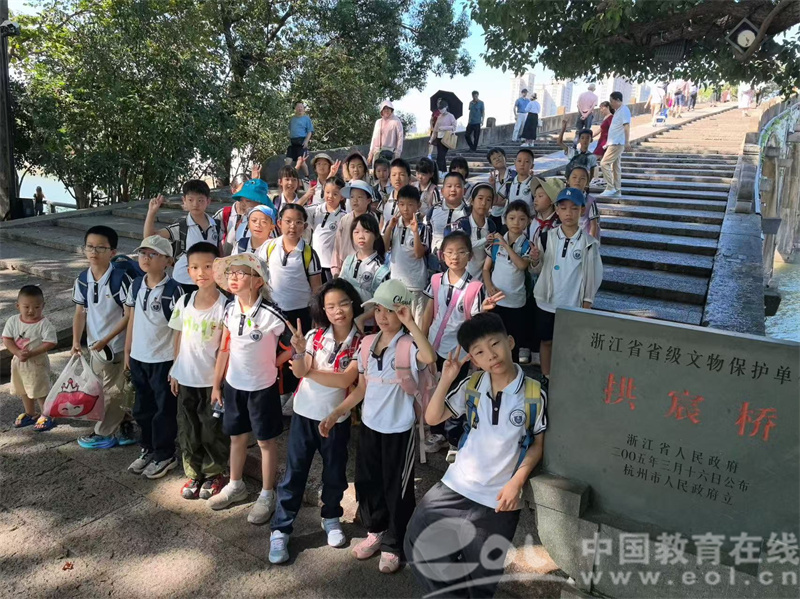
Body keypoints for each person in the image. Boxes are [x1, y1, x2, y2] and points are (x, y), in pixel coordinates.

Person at [406, 312, 547, 598]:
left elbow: (537, 445)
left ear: (510, 342)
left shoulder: (534, 394)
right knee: (418, 545)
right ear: (473, 359)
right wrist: (447, 378)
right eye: (480, 352)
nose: (491, 355)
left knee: (481, 578)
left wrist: (516, 483)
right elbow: (432, 418)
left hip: (499, 501)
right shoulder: (472, 384)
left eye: (495, 344)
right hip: (456, 485)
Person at [318, 279, 437, 574]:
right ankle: (376, 531)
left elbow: (429, 357)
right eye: (379, 310)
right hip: (370, 426)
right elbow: (361, 388)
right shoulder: (367, 344)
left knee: (397, 488)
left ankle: (395, 543)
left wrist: (411, 324)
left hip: (399, 429)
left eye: (391, 310)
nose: (383, 316)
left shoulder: (409, 345)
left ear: (403, 312)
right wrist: (336, 413)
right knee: (368, 481)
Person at [269, 279, 365, 564]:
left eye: (343, 303)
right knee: (294, 474)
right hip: (304, 414)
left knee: (335, 473)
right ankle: (280, 529)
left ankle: (331, 517)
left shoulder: (362, 343)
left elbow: (345, 380)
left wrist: (307, 372)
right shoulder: (314, 335)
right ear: (322, 309)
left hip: (337, 418)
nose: (338, 311)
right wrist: (299, 351)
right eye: (330, 306)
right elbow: (299, 369)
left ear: (353, 304)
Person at [207, 253, 291, 523]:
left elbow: (296, 345)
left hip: (262, 388)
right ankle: (236, 484)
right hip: (234, 386)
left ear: (257, 281)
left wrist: (274, 362)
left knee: (266, 441)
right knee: (237, 437)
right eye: (231, 272)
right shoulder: (229, 309)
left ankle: (267, 493)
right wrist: (217, 384)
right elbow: (225, 348)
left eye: (241, 273)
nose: (233, 277)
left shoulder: (272, 314)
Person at [421, 231, 503, 453]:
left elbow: (474, 322)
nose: (454, 257)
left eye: (460, 252)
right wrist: (422, 339)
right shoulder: (436, 280)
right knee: (434, 387)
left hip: (457, 351)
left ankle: (453, 435)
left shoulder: (475, 287)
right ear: (442, 255)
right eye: (449, 252)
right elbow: (429, 312)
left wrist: (483, 310)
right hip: (433, 345)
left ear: (470, 256)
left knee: (454, 391)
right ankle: (436, 431)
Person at [167, 242, 230, 500]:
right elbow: (178, 336)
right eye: (194, 267)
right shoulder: (184, 301)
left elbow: (226, 348)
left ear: (218, 268)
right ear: (188, 271)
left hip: (211, 381)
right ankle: (193, 473)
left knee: (212, 429)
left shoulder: (226, 305)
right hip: (186, 378)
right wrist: (175, 369)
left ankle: (215, 473)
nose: (201, 272)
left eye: (207, 266)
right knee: (188, 428)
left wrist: (219, 383)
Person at [124, 235, 185, 478]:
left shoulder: (174, 290)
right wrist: (128, 350)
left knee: (164, 411)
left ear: (168, 261)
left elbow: (179, 329)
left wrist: (176, 363)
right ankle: (148, 447)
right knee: (142, 408)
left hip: (163, 359)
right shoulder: (136, 284)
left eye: (153, 254)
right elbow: (132, 318)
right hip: (139, 357)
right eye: (142, 253)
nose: (145, 258)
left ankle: (165, 454)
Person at [72, 225, 136, 448]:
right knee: (102, 389)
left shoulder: (120, 279)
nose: (94, 251)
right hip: (95, 346)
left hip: (116, 346)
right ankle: (125, 424)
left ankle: (104, 434)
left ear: (112, 252)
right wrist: (76, 341)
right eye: (90, 246)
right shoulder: (82, 279)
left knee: (113, 391)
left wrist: (107, 339)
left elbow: (129, 315)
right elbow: (80, 312)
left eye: (101, 247)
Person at [532, 187, 603, 379]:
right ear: (557, 210)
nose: (568, 213)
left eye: (574, 208)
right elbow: (536, 270)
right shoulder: (546, 237)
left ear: (582, 210)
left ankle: (565, 377)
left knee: (569, 342)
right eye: (563, 208)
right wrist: (535, 260)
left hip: (572, 303)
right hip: (546, 301)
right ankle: (546, 375)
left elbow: (594, 275)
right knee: (546, 341)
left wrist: (587, 302)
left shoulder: (589, 243)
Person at [143, 180, 221, 294]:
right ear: (184, 200)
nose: (195, 204)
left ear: (208, 201)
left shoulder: (216, 225)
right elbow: (149, 238)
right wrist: (151, 212)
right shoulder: (181, 227)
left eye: (200, 200)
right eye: (190, 200)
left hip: (208, 280)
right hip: (183, 280)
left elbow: (219, 252)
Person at [483, 200, 532, 363]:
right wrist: (489, 286)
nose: (516, 222)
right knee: (493, 338)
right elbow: (486, 269)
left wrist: (506, 245)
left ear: (528, 221)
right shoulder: (495, 243)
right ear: (505, 219)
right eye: (512, 218)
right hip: (496, 300)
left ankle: (512, 371)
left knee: (512, 341)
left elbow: (522, 265)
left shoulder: (527, 245)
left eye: (522, 219)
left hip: (515, 302)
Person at [4, 285, 57, 431]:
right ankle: (30, 413)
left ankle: (47, 414)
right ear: (18, 306)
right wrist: (17, 352)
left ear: (43, 306)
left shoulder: (43, 324)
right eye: (26, 307)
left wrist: (32, 353)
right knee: (23, 388)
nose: (31, 311)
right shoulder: (13, 321)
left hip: (37, 363)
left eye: (36, 307)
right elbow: (7, 339)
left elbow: (51, 342)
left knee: (40, 389)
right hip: (19, 362)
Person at [382, 185, 431, 323]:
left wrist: (415, 232)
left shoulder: (423, 228)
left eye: (410, 205)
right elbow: (384, 248)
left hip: (415, 284)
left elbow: (419, 254)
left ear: (418, 206)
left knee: (416, 322)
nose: (405, 209)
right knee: (396, 321)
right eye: (402, 204)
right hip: (396, 282)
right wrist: (390, 227)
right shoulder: (393, 224)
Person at [340, 214, 391, 331]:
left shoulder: (380, 268)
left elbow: (382, 303)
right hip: (346, 321)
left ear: (376, 235)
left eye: (366, 231)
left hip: (368, 325)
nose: (361, 236)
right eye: (356, 232)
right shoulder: (348, 261)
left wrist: (362, 319)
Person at [445, 183, 498, 281]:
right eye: (480, 198)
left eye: (488, 200)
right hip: (461, 278)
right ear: (472, 201)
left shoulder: (491, 226)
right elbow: (460, 247)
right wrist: (484, 240)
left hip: (483, 279)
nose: (483, 203)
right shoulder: (461, 224)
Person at [215, 175, 274, 255]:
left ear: (260, 202)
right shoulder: (243, 220)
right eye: (242, 200)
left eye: (248, 201)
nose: (243, 204)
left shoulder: (269, 224)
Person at [333, 180, 376, 275]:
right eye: (352, 197)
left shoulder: (373, 220)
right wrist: (336, 268)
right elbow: (337, 244)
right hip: (345, 266)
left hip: (366, 267)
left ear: (368, 200)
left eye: (359, 197)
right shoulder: (345, 219)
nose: (355, 200)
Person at [307, 177, 346, 282]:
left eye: (335, 194)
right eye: (327, 192)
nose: (330, 196)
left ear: (342, 196)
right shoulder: (316, 209)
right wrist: (306, 196)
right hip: (314, 264)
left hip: (331, 266)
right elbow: (295, 209)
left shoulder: (343, 216)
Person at [426, 172, 470, 262]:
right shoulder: (433, 211)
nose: (453, 190)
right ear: (442, 191)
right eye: (449, 186)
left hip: (458, 262)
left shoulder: (469, 213)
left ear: (464, 191)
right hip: (435, 262)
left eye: (457, 186)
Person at [599, 92, 631, 197]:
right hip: (614, 142)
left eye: (612, 101)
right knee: (615, 167)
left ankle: (610, 187)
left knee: (604, 163)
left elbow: (626, 126)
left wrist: (627, 141)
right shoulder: (618, 111)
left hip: (617, 142)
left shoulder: (624, 110)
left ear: (617, 100)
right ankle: (617, 190)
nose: (611, 104)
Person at [568, 165, 600, 240]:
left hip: (584, 239)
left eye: (582, 178)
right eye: (574, 177)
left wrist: (590, 241)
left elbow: (593, 224)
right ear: (568, 180)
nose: (577, 180)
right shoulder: (564, 198)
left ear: (587, 183)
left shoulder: (590, 201)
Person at [367, 100, 404, 166]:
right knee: (377, 170)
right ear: (381, 110)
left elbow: (400, 138)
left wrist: (397, 154)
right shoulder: (378, 122)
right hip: (377, 152)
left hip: (390, 153)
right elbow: (374, 139)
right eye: (384, 109)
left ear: (391, 109)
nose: (386, 110)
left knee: (388, 170)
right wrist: (370, 154)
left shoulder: (396, 121)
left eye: (388, 108)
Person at [287, 101, 313, 178]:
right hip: (293, 143)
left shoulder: (306, 118)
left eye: (301, 107)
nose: (300, 108)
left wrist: (306, 141)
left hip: (302, 142)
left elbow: (310, 131)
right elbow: (290, 130)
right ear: (295, 108)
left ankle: (307, 177)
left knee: (301, 161)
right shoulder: (292, 119)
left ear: (304, 109)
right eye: (298, 107)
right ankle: (286, 177)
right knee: (287, 161)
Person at [431, 100, 457, 175]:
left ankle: (439, 172)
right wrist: (431, 139)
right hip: (439, 138)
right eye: (439, 109)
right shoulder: (439, 117)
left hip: (447, 138)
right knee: (441, 155)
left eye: (442, 108)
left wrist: (444, 128)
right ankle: (444, 172)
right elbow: (435, 129)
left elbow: (454, 127)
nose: (440, 110)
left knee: (440, 156)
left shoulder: (451, 116)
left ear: (446, 107)